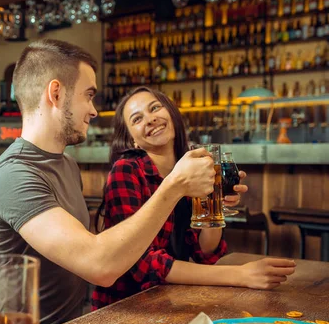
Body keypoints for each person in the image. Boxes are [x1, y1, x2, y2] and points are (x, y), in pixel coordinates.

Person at [0, 39, 221, 324]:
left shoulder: (65, 164)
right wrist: (174, 186)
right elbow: (99, 265)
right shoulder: (14, 176)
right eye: (88, 95)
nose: (94, 111)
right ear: (56, 93)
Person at [91, 86, 296, 310]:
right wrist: (240, 274)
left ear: (170, 113)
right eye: (137, 119)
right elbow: (144, 263)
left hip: (170, 299)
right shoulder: (126, 171)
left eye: (155, 108)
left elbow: (206, 252)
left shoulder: (191, 166)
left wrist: (215, 204)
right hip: (126, 309)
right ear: (132, 141)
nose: (150, 119)